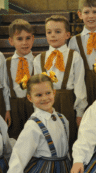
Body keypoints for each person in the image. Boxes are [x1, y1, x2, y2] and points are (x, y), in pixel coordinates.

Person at [33, 15, 87, 148]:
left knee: (69, 139)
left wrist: (79, 113)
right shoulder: (39, 59)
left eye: (58, 31)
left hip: (68, 103)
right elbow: (36, 89)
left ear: (67, 35)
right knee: (49, 140)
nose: (53, 35)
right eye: (49, 32)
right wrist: (37, 111)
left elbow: (80, 86)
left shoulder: (75, 57)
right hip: (46, 104)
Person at [6, 19, 35, 139]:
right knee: (15, 138)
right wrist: (7, 110)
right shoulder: (6, 63)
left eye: (28, 38)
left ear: (33, 39)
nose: (24, 43)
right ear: (11, 41)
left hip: (33, 106)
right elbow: (6, 88)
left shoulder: (37, 61)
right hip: (14, 108)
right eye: (19, 39)